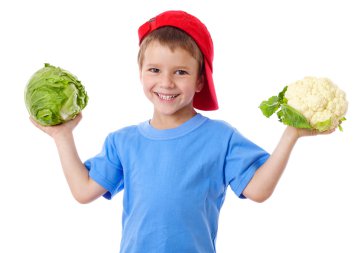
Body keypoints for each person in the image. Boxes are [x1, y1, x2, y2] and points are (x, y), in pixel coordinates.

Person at [31, 10, 333, 253]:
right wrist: (62, 135)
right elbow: (83, 191)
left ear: (200, 81)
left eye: (181, 72)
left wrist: (291, 134)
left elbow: (258, 190)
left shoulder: (221, 138)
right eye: (154, 70)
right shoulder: (123, 142)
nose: (166, 82)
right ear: (140, 74)